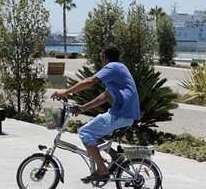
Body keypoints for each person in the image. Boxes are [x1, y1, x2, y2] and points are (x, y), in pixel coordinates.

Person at [51, 45, 141, 181]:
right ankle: (115, 156)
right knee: (93, 133)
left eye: (101, 57)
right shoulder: (119, 68)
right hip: (124, 113)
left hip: (121, 113)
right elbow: (106, 95)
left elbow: (90, 81)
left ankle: (102, 169)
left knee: (84, 132)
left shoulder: (112, 67)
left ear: (104, 57)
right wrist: (83, 108)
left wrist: (65, 92)